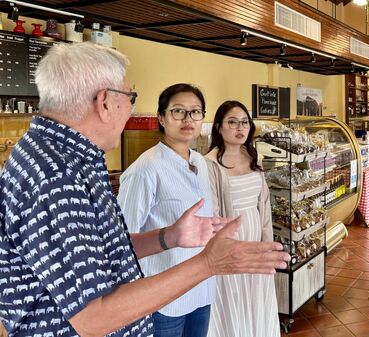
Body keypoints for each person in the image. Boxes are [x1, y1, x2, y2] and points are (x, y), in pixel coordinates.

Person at [0, 42, 289, 337]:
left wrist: (169, 236)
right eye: (130, 97)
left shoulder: (68, 157)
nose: (131, 109)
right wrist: (209, 263)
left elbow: (103, 250)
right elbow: (92, 317)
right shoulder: (55, 176)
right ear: (105, 102)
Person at [117, 83, 217, 337]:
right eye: (178, 111)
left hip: (201, 287)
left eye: (195, 111)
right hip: (163, 298)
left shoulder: (200, 163)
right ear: (161, 117)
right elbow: (122, 239)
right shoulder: (146, 168)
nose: (188, 119)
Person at [205, 101, 279, 337]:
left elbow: (264, 207)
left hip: (257, 241)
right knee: (233, 299)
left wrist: (269, 247)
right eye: (232, 122)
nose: (240, 127)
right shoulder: (209, 164)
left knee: (258, 297)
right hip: (231, 243)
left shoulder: (253, 156)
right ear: (219, 127)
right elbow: (213, 214)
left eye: (244, 122)